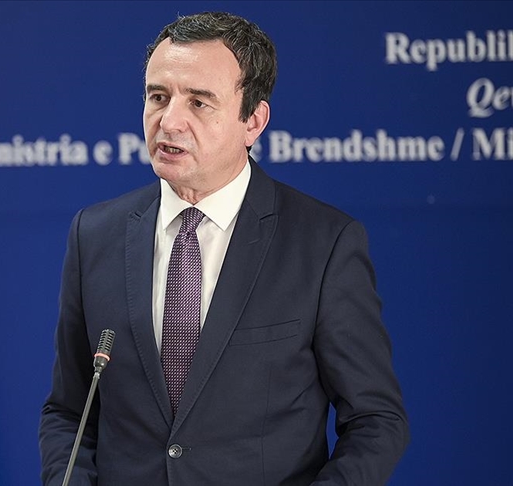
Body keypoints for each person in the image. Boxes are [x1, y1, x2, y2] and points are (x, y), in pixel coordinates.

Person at [39, 11, 409, 486]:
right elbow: (69, 412)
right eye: (158, 97)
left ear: (252, 121)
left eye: (198, 102)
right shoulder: (94, 234)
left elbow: (376, 421)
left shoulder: (323, 244)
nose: (169, 121)